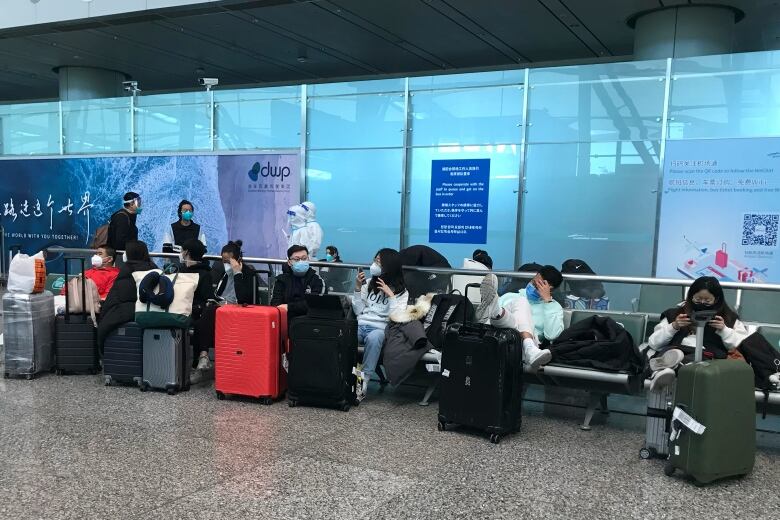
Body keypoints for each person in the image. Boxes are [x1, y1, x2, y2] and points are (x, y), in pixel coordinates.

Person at [646, 276, 749, 390]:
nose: (702, 303)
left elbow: (743, 346)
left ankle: (666, 370)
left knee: (694, 361)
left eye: (707, 300)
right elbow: (653, 343)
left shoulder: (729, 318)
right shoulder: (674, 314)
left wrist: (724, 330)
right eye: (698, 299)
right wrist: (674, 326)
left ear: (717, 299)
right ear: (691, 297)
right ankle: (664, 371)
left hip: (706, 356)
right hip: (673, 350)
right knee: (667, 354)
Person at [476, 265, 565, 369]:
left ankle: (498, 312)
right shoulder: (510, 296)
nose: (532, 286)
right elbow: (485, 321)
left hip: (519, 348)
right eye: (533, 282)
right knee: (519, 301)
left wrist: (547, 301)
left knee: (520, 303)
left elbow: (552, 335)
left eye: (538, 287)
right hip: (496, 339)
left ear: (550, 290)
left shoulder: (554, 307)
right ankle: (530, 349)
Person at [352, 248, 409, 395]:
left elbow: (396, 317)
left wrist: (391, 296)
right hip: (361, 324)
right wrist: (358, 289)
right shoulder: (369, 283)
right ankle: (344, 374)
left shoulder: (402, 292)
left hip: (381, 329)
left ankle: (363, 380)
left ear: (389, 267)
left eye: (379, 262)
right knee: (346, 333)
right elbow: (358, 310)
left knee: (374, 337)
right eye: (375, 261)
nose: (375, 265)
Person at [97, 240, 157, 350]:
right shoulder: (154, 268)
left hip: (129, 311)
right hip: (152, 311)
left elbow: (118, 296)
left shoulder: (127, 270)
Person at [179, 238, 216, 372]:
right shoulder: (182, 270)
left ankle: (198, 360)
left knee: (200, 323)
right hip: (186, 309)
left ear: (186, 252)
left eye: (182, 250)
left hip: (193, 311)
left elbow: (208, 298)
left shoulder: (203, 274)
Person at [270, 245, 325, 321]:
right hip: (285, 321)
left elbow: (315, 304)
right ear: (289, 262)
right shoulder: (281, 280)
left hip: (309, 323)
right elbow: (275, 305)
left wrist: (289, 307)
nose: (301, 262)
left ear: (308, 259)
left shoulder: (317, 280)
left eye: (304, 258)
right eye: (297, 259)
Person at [215, 240, 258, 305]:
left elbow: (243, 299)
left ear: (239, 260)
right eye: (224, 262)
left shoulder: (249, 274)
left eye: (229, 262)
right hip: (221, 307)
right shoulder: (225, 273)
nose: (226, 265)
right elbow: (218, 294)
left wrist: (237, 273)